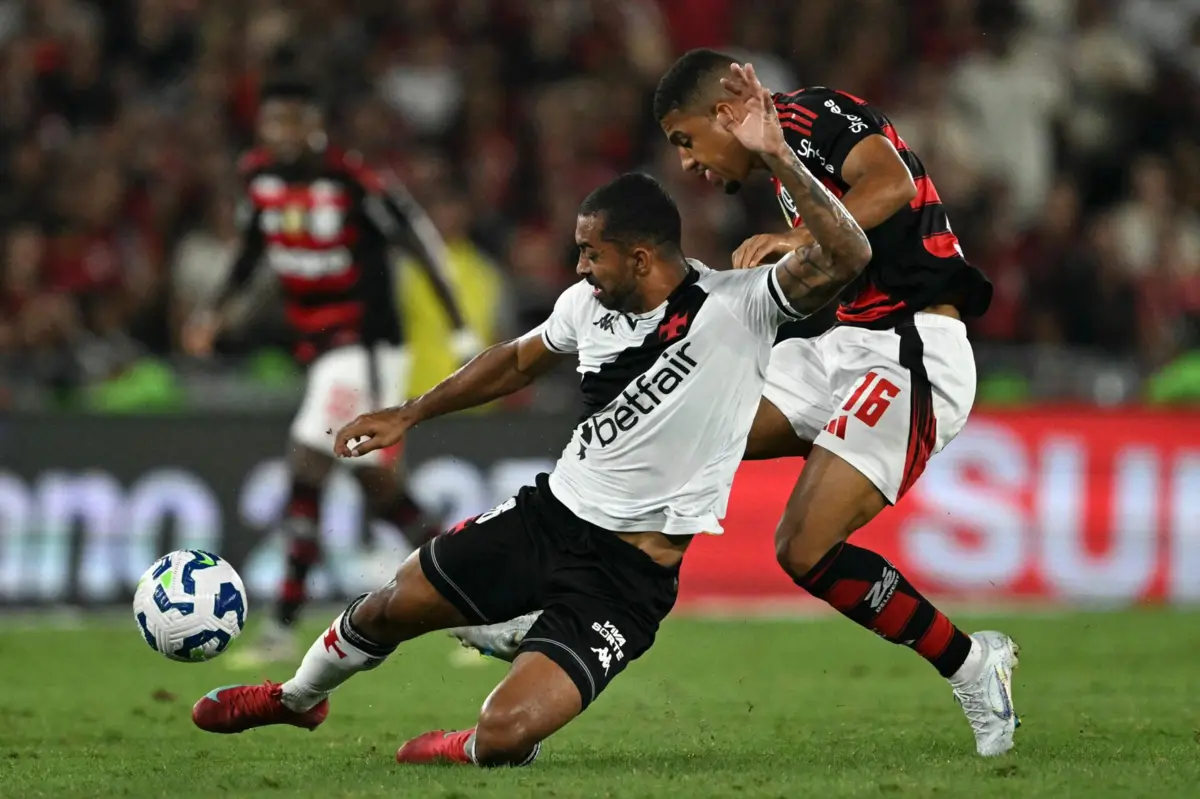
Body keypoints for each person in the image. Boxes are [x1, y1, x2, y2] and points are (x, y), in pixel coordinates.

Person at [190, 164, 872, 766]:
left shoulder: (742, 305)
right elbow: (516, 361)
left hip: (626, 579)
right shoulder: (586, 306)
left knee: (505, 735)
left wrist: (777, 159)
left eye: (591, 252)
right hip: (547, 520)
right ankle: (297, 697)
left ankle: (480, 726)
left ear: (640, 258)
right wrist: (410, 412)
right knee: (393, 604)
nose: (578, 266)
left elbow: (847, 254)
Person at [453, 52, 1021, 759]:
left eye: (686, 139)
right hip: (842, 345)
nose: (687, 162)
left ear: (725, 112)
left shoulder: (812, 115)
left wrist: (801, 234)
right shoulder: (783, 159)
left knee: (803, 548)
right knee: (679, 427)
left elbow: (891, 183)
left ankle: (972, 662)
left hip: (912, 348)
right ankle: (558, 604)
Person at [182, 75, 480, 667]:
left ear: (317, 127)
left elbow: (418, 240)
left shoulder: (353, 180)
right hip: (321, 348)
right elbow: (250, 251)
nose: (284, 133)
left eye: (296, 121)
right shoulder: (259, 180)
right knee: (383, 494)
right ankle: (484, 603)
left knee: (306, 463)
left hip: (366, 346)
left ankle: (281, 624)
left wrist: (457, 323)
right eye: (275, 122)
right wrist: (212, 311)